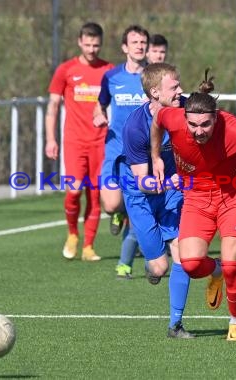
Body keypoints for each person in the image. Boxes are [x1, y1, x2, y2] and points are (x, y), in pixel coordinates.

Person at [150, 69, 236, 341]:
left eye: (205, 125)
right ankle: (215, 271)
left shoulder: (230, 126)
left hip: (233, 197)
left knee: (234, 266)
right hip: (196, 199)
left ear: (216, 118)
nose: (198, 131)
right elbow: (157, 120)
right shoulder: (172, 117)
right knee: (192, 265)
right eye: (193, 125)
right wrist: (156, 158)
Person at [121, 62, 193, 338]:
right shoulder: (135, 128)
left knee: (182, 255)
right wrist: (166, 182)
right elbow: (142, 181)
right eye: (174, 87)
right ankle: (151, 259)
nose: (180, 91)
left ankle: (175, 324)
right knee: (159, 266)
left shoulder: (187, 109)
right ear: (154, 92)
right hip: (141, 196)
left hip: (174, 192)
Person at [45, 22, 114, 261]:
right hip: (74, 141)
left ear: (101, 44)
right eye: (88, 44)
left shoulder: (109, 70)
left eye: (96, 45)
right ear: (79, 42)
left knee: (94, 194)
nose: (92, 49)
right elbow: (53, 106)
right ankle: (73, 233)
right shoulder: (65, 70)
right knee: (74, 190)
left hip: (100, 141)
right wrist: (50, 139)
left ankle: (88, 247)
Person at [93, 25, 149, 278]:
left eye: (143, 42)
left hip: (142, 154)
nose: (140, 46)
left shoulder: (153, 77)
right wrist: (98, 115)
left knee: (139, 205)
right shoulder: (112, 77)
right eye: (134, 42)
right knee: (111, 204)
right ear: (125, 48)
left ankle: (126, 262)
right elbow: (100, 104)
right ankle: (118, 214)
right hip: (115, 150)